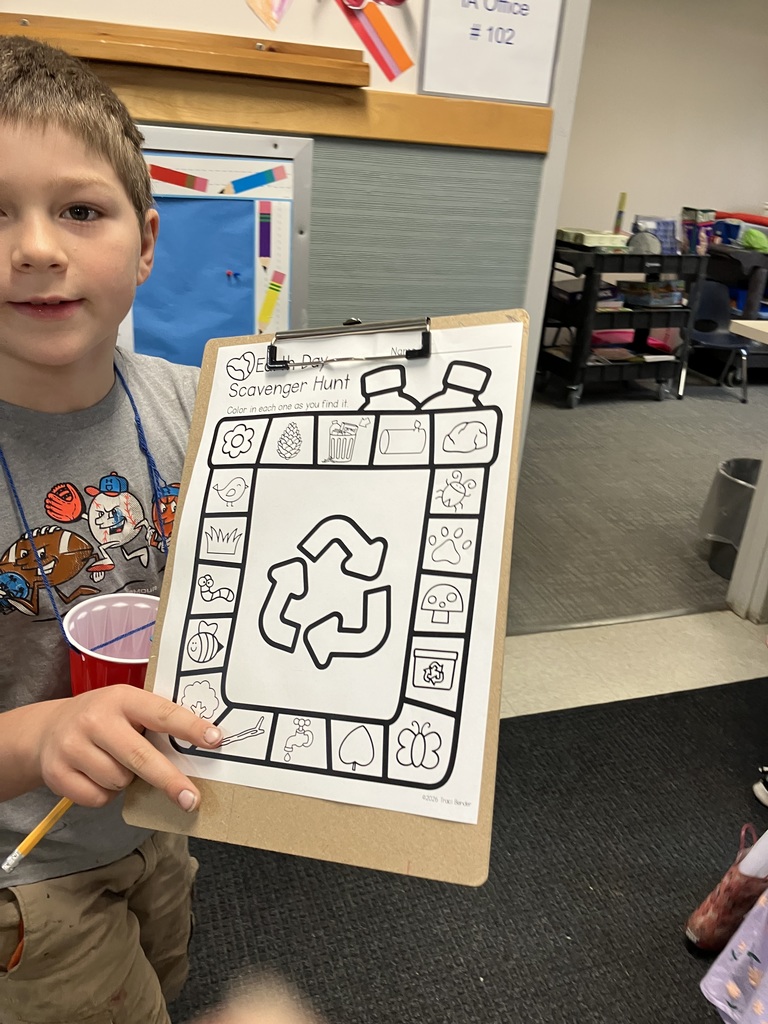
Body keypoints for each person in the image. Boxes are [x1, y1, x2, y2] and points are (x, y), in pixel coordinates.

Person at [0, 34, 228, 1023]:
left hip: (159, 814)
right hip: (26, 869)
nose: (39, 247)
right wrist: (42, 733)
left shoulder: (210, 409)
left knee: (165, 971)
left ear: (144, 244)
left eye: (81, 210)